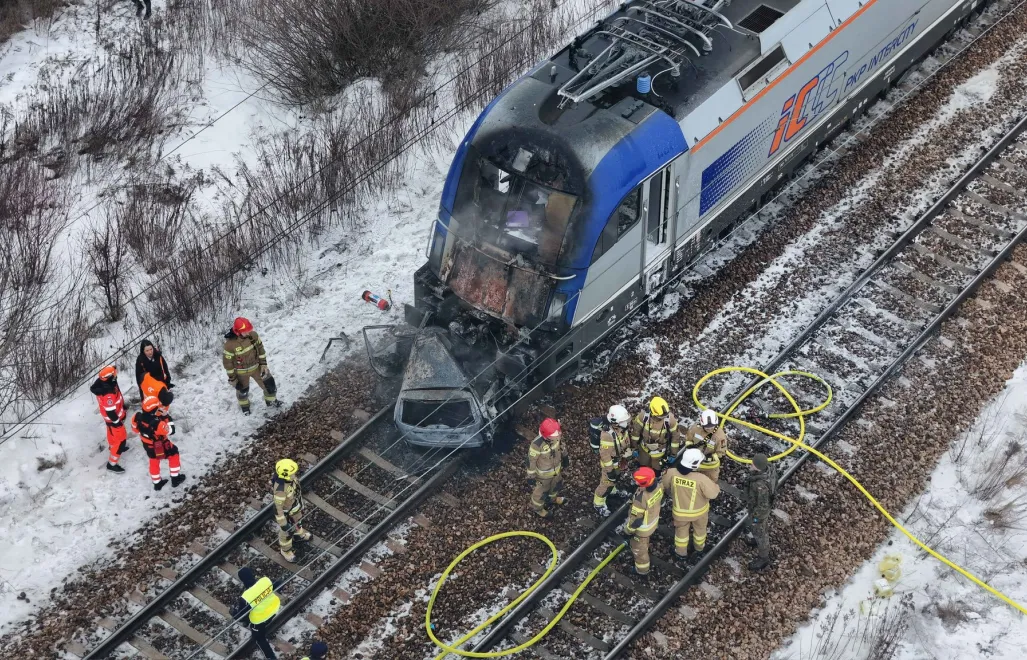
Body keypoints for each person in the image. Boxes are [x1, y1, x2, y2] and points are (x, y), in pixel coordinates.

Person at [661, 448, 720, 559]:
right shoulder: (702, 479)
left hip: (680, 513)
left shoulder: (671, 473)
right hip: (700, 513)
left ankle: (680, 553)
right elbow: (713, 494)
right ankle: (699, 548)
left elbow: (664, 484)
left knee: (681, 533)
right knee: (700, 531)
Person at [223, 317, 280, 415]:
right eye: (245, 331)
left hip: (257, 367)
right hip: (241, 373)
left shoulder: (253, 336)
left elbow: (261, 349)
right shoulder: (230, 345)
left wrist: (263, 364)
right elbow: (228, 364)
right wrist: (233, 379)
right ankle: (245, 407)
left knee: (270, 385)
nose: (248, 333)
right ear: (238, 332)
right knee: (242, 392)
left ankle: (271, 402)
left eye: (249, 330)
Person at [131, 396, 185, 491]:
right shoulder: (158, 424)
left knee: (153, 460)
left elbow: (134, 430)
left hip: (147, 445)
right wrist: (166, 417)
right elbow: (171, 430)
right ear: (153, 410)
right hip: (160, 445)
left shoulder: (136, 417)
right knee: (174, 454)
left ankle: (157, 483)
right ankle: (175, 478)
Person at [230, 567, 280, 660]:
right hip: (275, 607)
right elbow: (278, 584)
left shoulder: (245, 597)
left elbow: (242, 617)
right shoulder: (265, 581)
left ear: (242, 580)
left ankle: (270, 657)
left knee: (259, 638)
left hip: (260, 619)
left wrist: (233, 613)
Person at [593, 404, 633, 517]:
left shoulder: (622, 430)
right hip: (610, 466)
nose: (626, 423)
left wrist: (628, 453)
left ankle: (613, 489)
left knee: (615, 479)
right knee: (606, 484)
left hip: (619, 463)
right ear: (615, 422)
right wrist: (610, 471)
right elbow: (605, 456)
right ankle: (598, 503)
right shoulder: (607, 435)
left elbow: (626, 442)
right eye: (623, 421)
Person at [623, 466, 663, 576]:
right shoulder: (658, 487)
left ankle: (642, 570)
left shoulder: (641, 499)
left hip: (641, 531)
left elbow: (636, 520)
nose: (635, 482)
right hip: (653, 522)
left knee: (639, 551)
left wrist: (628, 530)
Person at [89, 366, 129, 474]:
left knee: (111, 434)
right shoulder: (108, 393)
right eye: (114, 374)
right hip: (114, 419)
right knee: (121, 440)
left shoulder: (103, 382)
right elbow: (111, 412)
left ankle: (112, 448)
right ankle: (112, 464)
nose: (116, 376)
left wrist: (122, 406)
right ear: (110, 377)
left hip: (110, 420)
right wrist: (117, 422)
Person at [526, 418, 568, 518]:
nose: (558, 436)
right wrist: (530, 476)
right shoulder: (536, 445)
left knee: (556, 486)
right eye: (554, 435)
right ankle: (538, 509)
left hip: (556, 471)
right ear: (546, 436)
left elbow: (561, 446)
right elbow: (531, 461)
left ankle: (552, 500)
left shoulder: (556, 436)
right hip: (543, 477)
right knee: (540, 493)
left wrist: (565, 456)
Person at [272, 459, 312, 562]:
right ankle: (286, 550)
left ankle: (298, 535)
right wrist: (283, 524)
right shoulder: (280, 490)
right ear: (286, 475)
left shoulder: (291, 479)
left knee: (298, 522)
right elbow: (278, 509)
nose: (295, 474)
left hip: (295, 509)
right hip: (287, 515)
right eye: (292, 473)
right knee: (286, 534)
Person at [629, 396, 681, 470]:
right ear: (653, 412)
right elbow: (635, 433)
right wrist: (635, 447)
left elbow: (675, 439)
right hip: (644, 450)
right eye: (660, 416)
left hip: (660, 453)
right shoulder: (642, 417)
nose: (663, 417)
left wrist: (673, 454)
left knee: (657, 471)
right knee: (642, 468)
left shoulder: (671, 421)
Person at [744, 453, 775, 571]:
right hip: (758, 508)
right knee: (759, 531)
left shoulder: (761, 485)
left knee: (760, 532)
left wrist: (755, 517)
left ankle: (764, 557)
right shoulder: (767, 472)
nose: (750, 465)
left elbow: (763, 505)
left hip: (759, 513)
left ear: (757, 467)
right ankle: (757, 542)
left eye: (752, 464)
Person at [683, 409, 728, 485]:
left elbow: (721, 453)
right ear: (702, 424)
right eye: (707, 427)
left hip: (710, 465)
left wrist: (710, 457)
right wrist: (689, 448)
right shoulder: (695, 429)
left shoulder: (720, 436)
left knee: (711, 482)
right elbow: (688, 439)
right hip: (694, 460)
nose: (710, 429)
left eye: (712, 426)